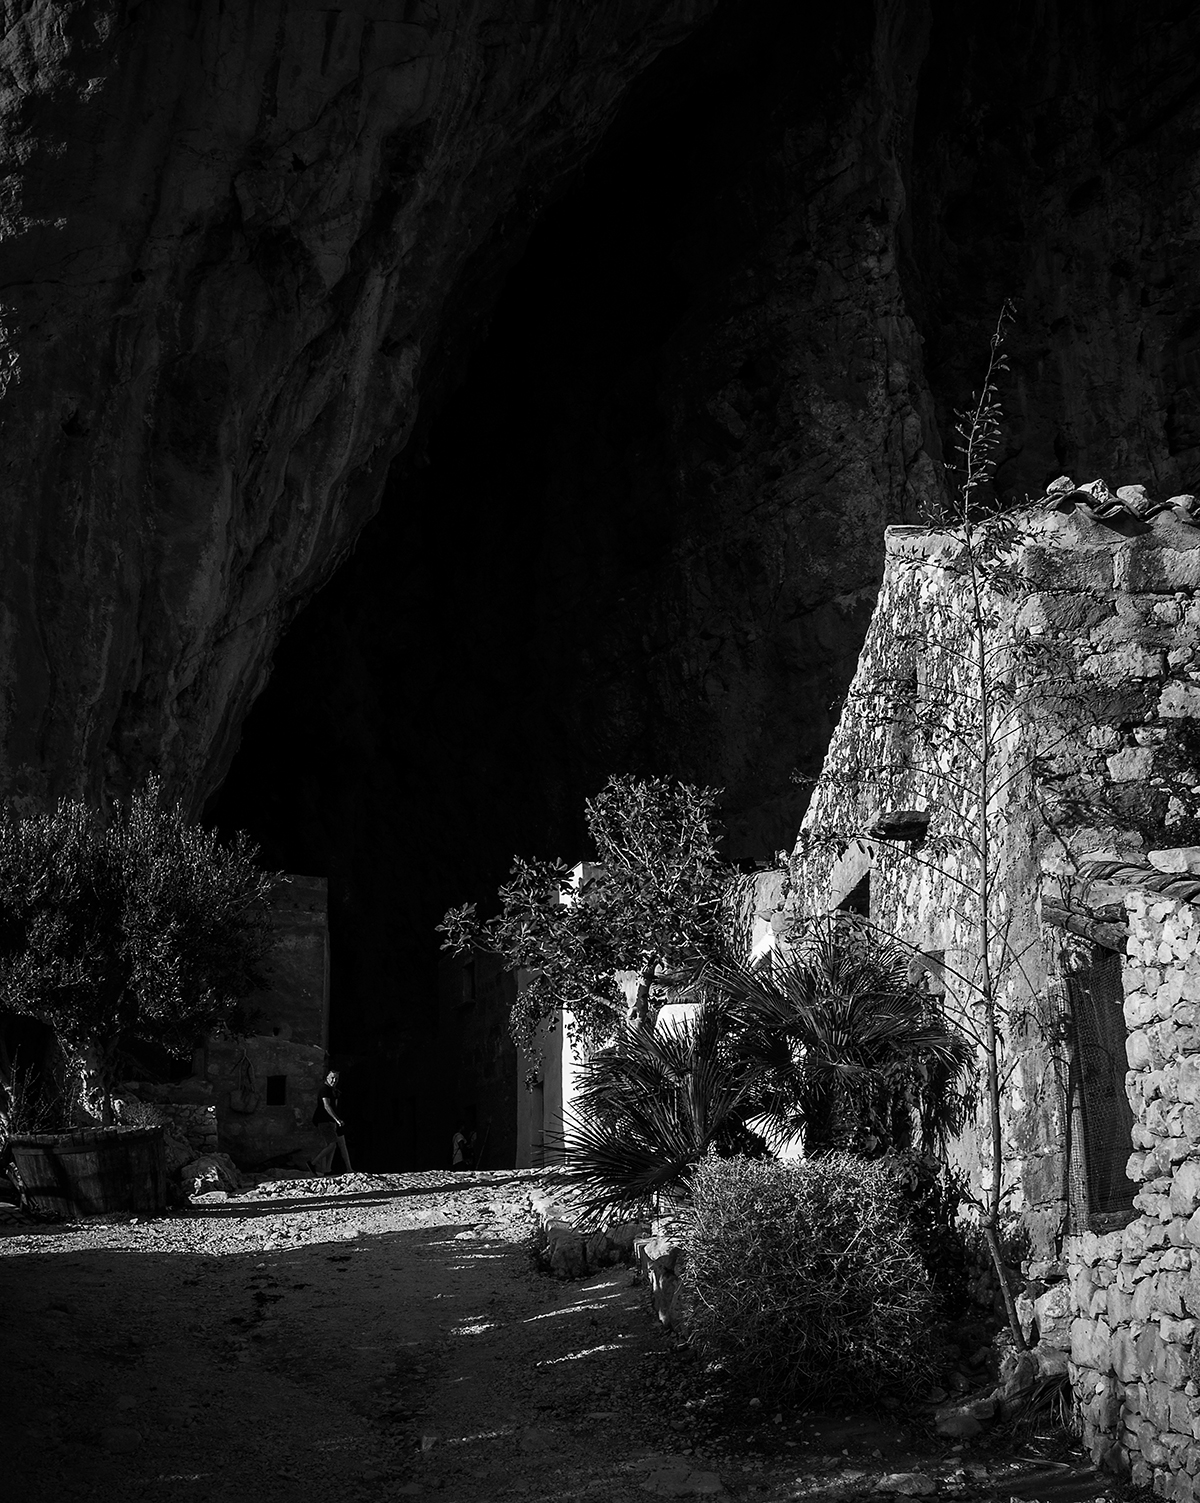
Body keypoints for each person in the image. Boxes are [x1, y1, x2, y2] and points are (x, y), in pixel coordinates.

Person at [309, 1068, 351, 1176]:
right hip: (325, 1121)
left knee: (334, 1145)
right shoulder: (325, 1090)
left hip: (331, 1122)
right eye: (332, 1078)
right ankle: (313, 1164)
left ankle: (328, 1170)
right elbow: (326, 1105)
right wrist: (337, 1119)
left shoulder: (333, 1091)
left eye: (336, 1079)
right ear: (327, 1077)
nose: (334, 1081)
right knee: (332, 1145)